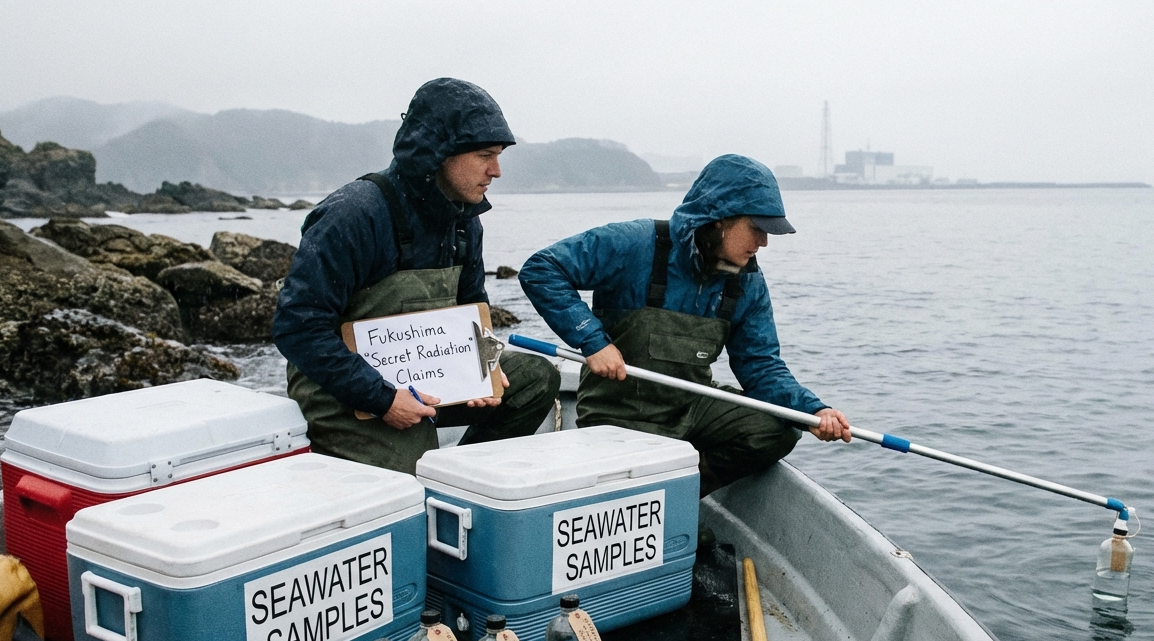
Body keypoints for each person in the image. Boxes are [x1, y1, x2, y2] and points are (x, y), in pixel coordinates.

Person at [519, 154, 850, 498]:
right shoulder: (633, 243)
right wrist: (593, 341)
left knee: (775, 430)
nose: (763, 242)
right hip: (618, 414)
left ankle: (687, 495)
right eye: (757, 228)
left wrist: (812, 411)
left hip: (690, 410)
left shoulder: (747, 280)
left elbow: (761, 365)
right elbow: (542, 269)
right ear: (720, 218)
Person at [273, 78, 559, 474]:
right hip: (345, 396)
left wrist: (483, 371)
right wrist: (382, 399)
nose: (496, 171)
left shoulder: (465, 220)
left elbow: (472, 308)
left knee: (535, 378)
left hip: (428, 378)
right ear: (440, 154)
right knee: (412, 472)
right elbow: (297, 326)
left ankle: (460, 479)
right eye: (485, 155)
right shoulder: (353, 214)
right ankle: (427, 479)